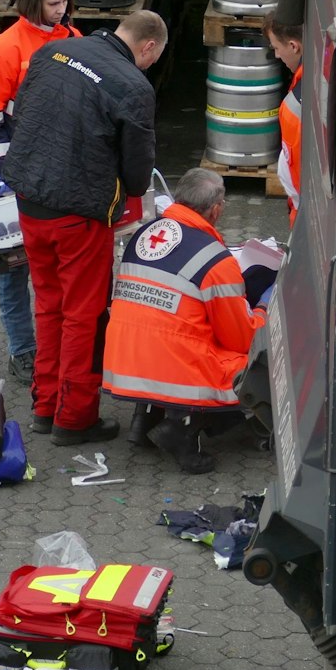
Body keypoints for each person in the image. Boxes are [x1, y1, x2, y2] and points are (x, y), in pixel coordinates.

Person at [2, 10, 167, 445]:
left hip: (29, 201)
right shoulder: (133, 86)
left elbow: (22, 114)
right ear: (148, 46)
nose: (147, 66)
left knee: (48, 304)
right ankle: (74, 418)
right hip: (79, 213)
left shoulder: (54, 50)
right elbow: (136, 175)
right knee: (83, 316)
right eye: (152, 58)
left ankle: (44, 405)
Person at [102, 168, 267, 474]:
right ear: (216, 209)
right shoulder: (215, 261)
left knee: (171, 330)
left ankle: (144, 421)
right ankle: (182, 431)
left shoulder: (144, 235)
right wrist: (263, 310)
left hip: (123, 362)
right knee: (250, 366)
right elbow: (240, 338)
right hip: (170, 369)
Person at [0, 0, 78, 385]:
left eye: (65, 1)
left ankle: (55, 347)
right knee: (13, 273)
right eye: (54, 3)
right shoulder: (4, 51)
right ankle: (23, 351)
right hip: (9, 184)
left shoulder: (71, 38)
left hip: (53, 181)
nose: (62, 10)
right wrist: (8, 175)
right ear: (33, 1)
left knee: (54, 271)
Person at [266, 13, 304, 223]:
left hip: (301, 210)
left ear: (293, 46)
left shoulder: (298, 101)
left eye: (276, 48)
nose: (277, 55)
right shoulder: (303, 82)